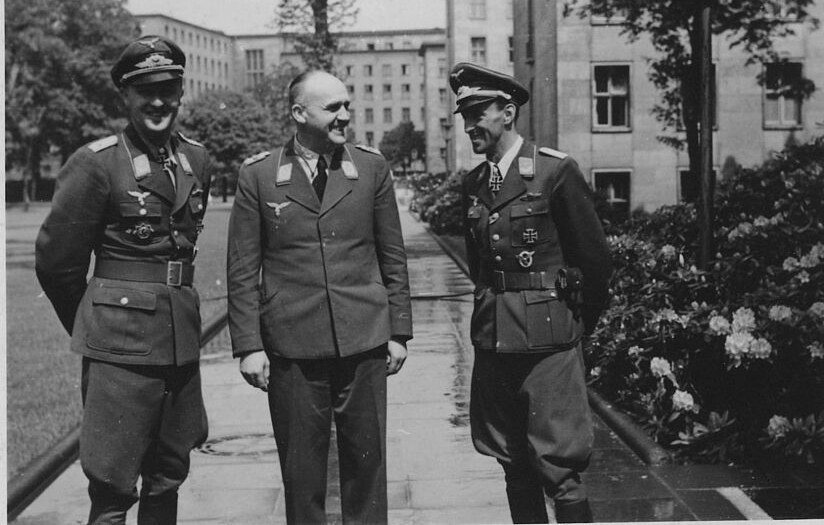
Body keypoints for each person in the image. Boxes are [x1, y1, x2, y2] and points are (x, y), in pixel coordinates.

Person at [35, 35, 212, 525]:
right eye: (146, 91)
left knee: (169, 473)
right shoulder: (96, 162)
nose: (159, 102)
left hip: (179, 337)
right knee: (113, 484)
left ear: (181, 92)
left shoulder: (196, 159)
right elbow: (57, 264)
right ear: (126, 97)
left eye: (169, 89)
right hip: (120, 345)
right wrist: (100, 323)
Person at [226, 69, 413, 524]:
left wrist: (399, 332)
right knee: (301, 473)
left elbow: (393, 255)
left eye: (346, 105)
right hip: (293, 345)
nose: (345, 116)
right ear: (298, 113)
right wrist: (249, 347)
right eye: (333, 108)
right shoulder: (260, 175)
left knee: (367, 469)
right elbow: (242, 268)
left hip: (364, 339)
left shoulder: (370, 168)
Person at [450, 62, 612, 523]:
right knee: (511, 460)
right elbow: (479, 267)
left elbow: (596, 264)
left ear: (507, 111)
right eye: (463, 115)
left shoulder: (554, 172)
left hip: (549, 346)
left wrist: (574, 327)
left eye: (477, 112)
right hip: (495, 341)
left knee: (560, 469)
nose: (468, 126)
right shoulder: (475, 184)